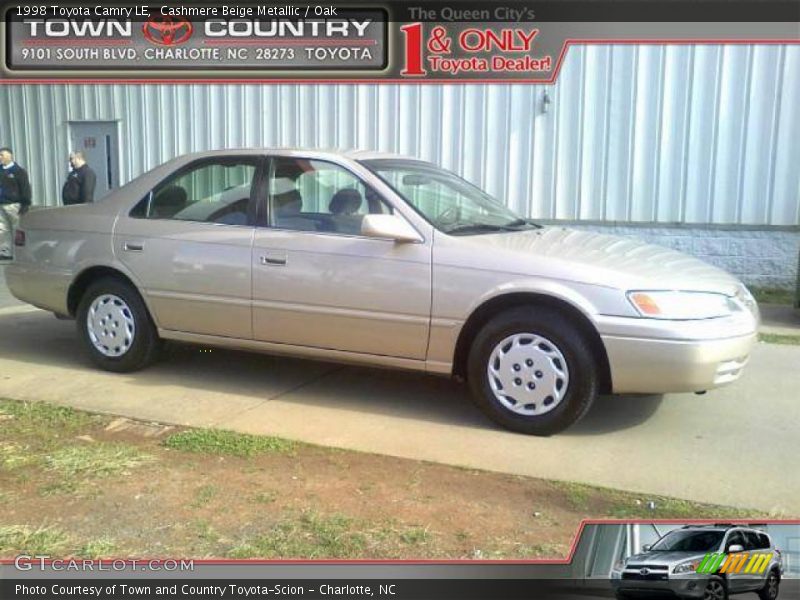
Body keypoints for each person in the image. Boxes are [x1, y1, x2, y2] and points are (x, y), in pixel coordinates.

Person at [0, 147, 32, 260]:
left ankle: (19, 253)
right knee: (3, 229)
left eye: (2, 155)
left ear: (10, 156)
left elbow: (25, 188)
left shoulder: (18, 171)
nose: (0, 157)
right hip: (1, 205)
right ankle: (6, 252)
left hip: (14, 205)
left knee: (17, 229)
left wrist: (25, 204)